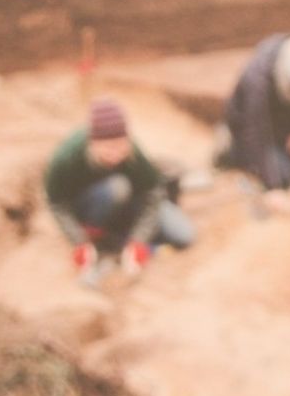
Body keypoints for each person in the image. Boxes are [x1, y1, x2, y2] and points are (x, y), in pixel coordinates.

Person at [43, 96, 194, 284]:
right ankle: (97, 237)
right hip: (89, 207)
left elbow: (153, 194)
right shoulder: (67, 157)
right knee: (117, 187)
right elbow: (56, 203)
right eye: (108, 149)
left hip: (128, 205)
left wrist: (138, 241)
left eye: (121, 146)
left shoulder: (133, 154)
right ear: (93, 142)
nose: (115, 155)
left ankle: (120, 238)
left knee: (184, 235)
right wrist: (78, 241)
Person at [216, 33, 290, 200]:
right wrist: (273, 187)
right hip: (246, 127)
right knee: (283, 174)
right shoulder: (256, 81)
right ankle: (230, 151)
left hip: (276, 124)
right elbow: (255, 130)